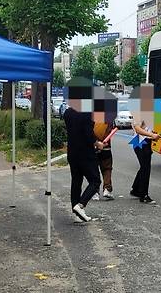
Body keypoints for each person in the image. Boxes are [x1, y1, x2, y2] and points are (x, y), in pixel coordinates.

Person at [64, 81, 104, 222]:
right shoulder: (87, 113)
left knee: (76, 182)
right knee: (95, 181)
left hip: (72, 153)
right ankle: (81, 205)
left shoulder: (68, 112)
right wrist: (97, 143)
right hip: (85, 154)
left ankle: (77, 214)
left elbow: (76, 132)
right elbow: (88, 134)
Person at [129, 84, 160, 204]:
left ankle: (136, 189)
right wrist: (152, 135)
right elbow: (137, 129)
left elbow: (147, 127)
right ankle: (144, 195)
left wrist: (153, 134)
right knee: (146, 168)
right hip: (139, 142)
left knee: (144, 166)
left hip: (145, 141)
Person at [92, 121, 115, 201]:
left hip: (93, 147)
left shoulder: (91, 117)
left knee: (94, 169)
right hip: (106, 147)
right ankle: (107, 189)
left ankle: (95, 191)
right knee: (107, 169)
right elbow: (110, 131)